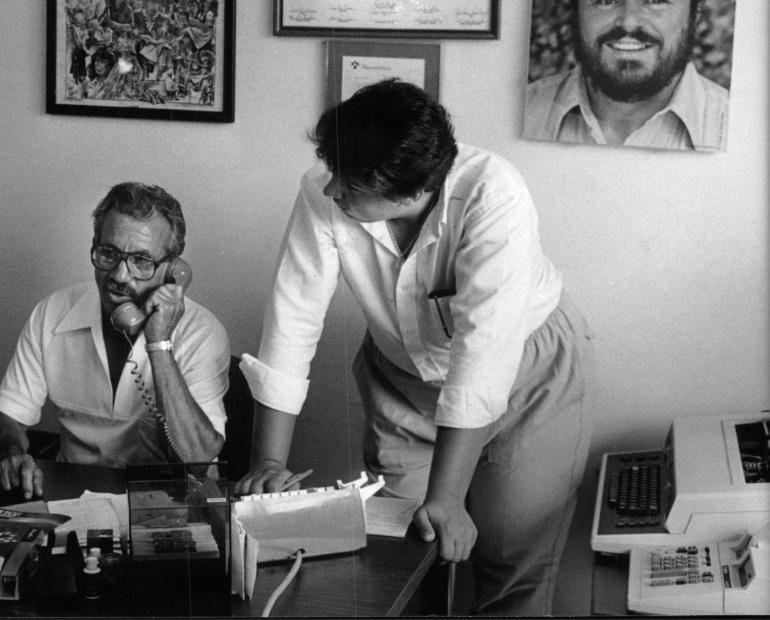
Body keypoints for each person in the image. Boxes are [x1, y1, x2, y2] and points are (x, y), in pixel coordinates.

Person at [237, 80, 594, 616]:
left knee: (509, 564)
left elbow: (483, 355)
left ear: (409, 191)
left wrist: (448, 498)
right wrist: (267, 460)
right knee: (400, 557)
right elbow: (292, 320)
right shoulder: (323, 190)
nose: (333, 191)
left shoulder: (494, 193)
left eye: (350, 183)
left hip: (526, 375)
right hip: (402, 379)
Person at [0, 182, 229, 499]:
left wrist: (159, 345)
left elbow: (197, 462)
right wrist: (10, 455)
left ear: (172, 270)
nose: (119, 275)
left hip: (165, 505)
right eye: (108, 253)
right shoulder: (52, 312)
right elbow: (5, 418)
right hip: (72, 496)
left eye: (141, 260)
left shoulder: (202, 332)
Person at [523, 0, 733, 150]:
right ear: (575, 9)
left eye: (656, 0)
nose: (629, 22)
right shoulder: (527, 110)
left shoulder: (737, 126)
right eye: (606, 0)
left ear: (695, 12)